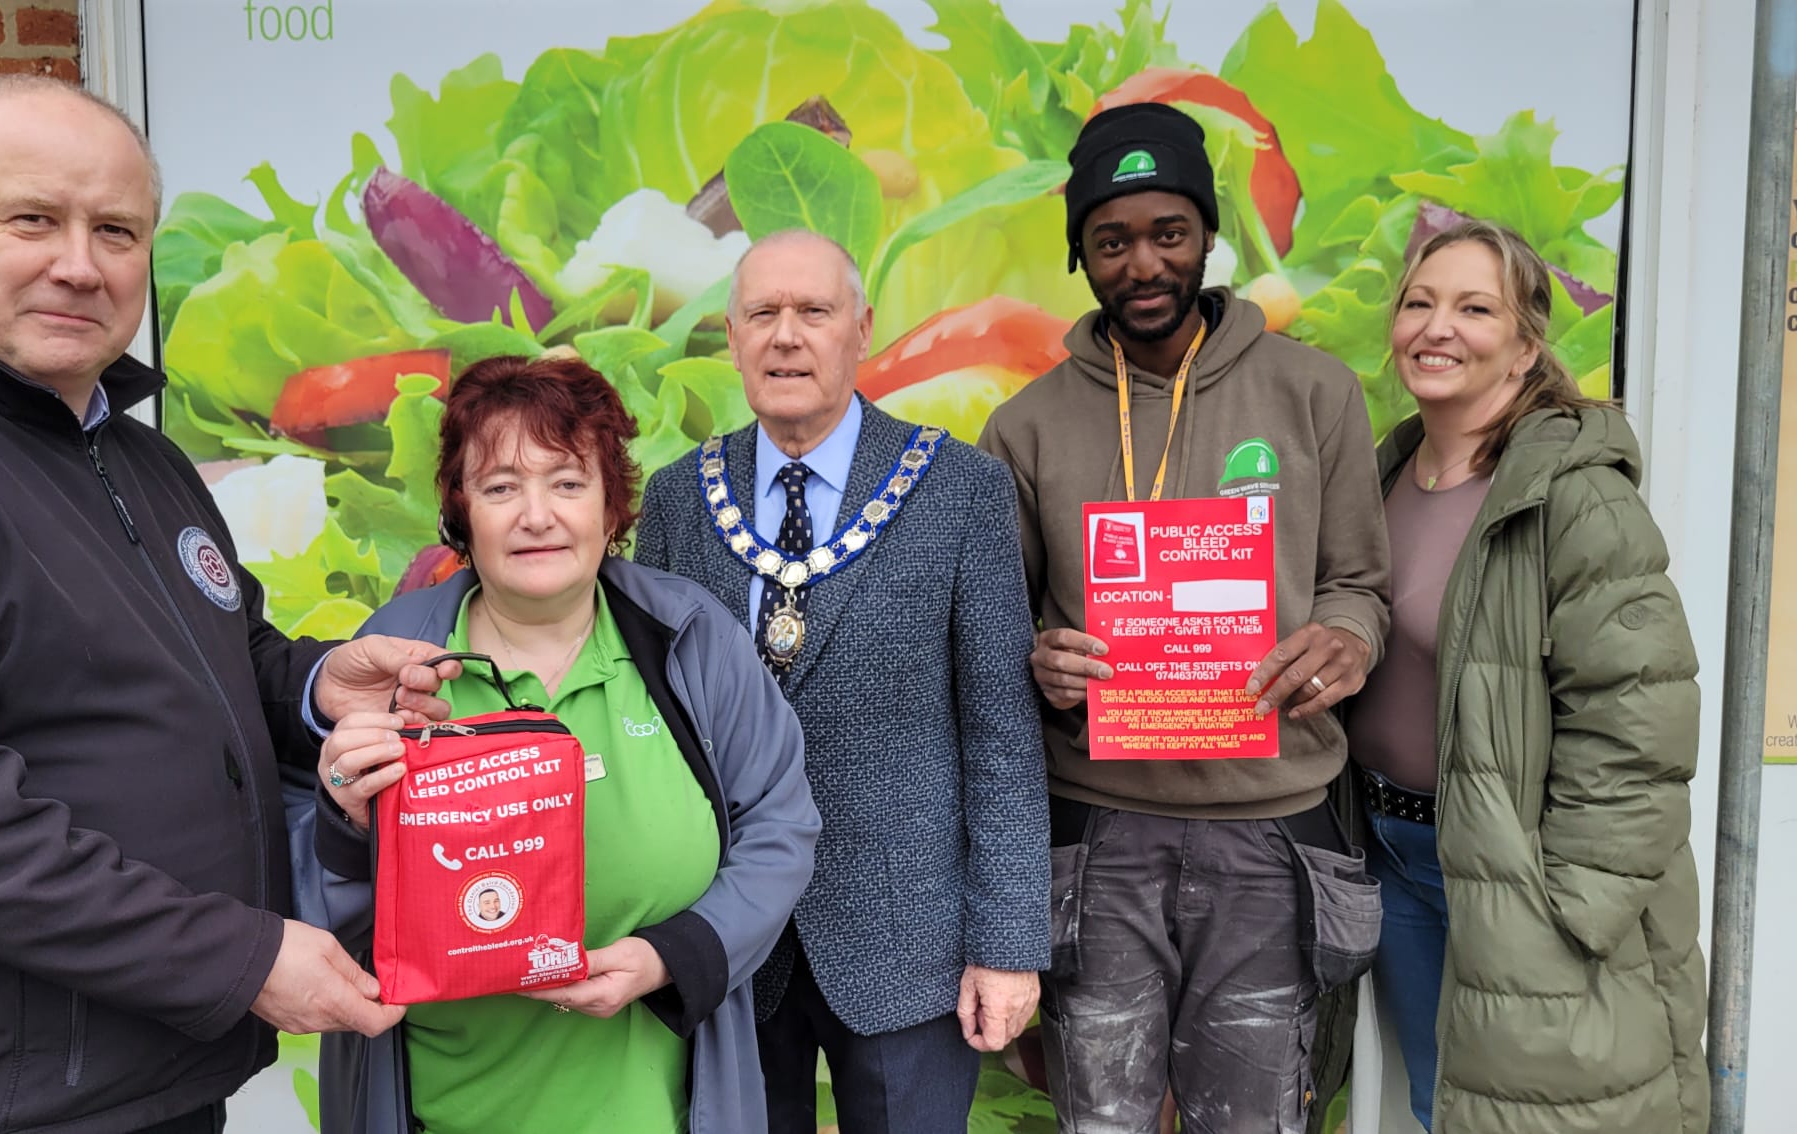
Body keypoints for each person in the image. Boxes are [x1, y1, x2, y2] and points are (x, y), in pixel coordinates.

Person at [0, 76, 458, 1134]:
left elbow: (218, 659)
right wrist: (239, 957)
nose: (79, 264)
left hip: (157, 1087)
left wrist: (319, 681)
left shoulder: (142, 459)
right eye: (33, 220)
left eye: (116, 231)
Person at [976, 103, 1391, 1131]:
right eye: (1112, 241)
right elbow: (998, 628)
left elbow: (1358, 583)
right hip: (1099, 835)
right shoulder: (1022, 428)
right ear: (1080, 256)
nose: (1143, 263)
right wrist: (1041, 658)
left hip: (1271, 830)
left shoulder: (1315, 394)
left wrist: (1348, 639)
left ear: (1208, 236)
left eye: (1169, 233)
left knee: (1251, 1119)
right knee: (1100, 1118)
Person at [302, 353, 821, 1134]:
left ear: (612, 506)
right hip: (446, 1104)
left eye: (567, 482)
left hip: (660, 1106)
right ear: (460, 513)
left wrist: (668, 958)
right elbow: (325, 908)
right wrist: (344, 823)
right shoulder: (395, 655)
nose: (535, 515)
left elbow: (780, 829)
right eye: (501, 486)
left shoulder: (690, 637)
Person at [635, 229, 1050, 1133]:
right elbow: (650, 722)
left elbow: (1002, 736)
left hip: (912, 949)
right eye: (762, 314)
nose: (787, 336)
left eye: (813, 312)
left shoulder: (961, 489)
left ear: (860, 329)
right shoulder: (674, 499)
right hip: (730, 946)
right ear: (731, 335)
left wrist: (1010, 947)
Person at [1341, 220, 1706, 1132]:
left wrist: (1574, 906)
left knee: (1535, 1116)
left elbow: (1638, 721)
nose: (1437, 327)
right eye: (1419, 303)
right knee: (1441, 1102)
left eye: (1473, 308)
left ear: (1526, 342)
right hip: (1394, 850)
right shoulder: (1384, 473)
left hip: (1515, 875)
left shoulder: (1575, 492)